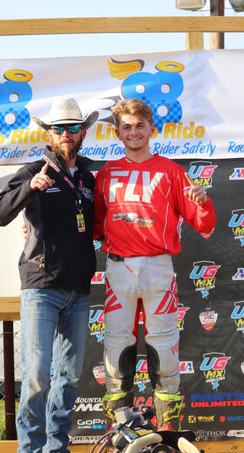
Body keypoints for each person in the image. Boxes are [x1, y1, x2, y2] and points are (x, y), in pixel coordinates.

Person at [93, 99, 216, 439]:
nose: (134, 132)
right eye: (127, 127)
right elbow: (94, 225)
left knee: (164, 347)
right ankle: (120, 428)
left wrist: (204, 202)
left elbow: (202, 223)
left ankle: (168, 429)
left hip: (159, 268)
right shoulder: (106, 173)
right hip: (118, 269)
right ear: (118, 133)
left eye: (140, 126)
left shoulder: (173, 172)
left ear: (152, 129)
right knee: (117, 348)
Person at [0, 98, 99, 453]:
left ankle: (57, 447)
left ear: (83, 132)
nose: (65, 134)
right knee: (37, 376)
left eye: (72, 128)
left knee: (67, 379)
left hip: (79, 290)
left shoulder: (87, 175)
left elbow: (96, 226)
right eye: (58, 129)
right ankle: (30, 449)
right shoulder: (34, 169)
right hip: (40, 287)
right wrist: (29, 189)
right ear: (48, 133)